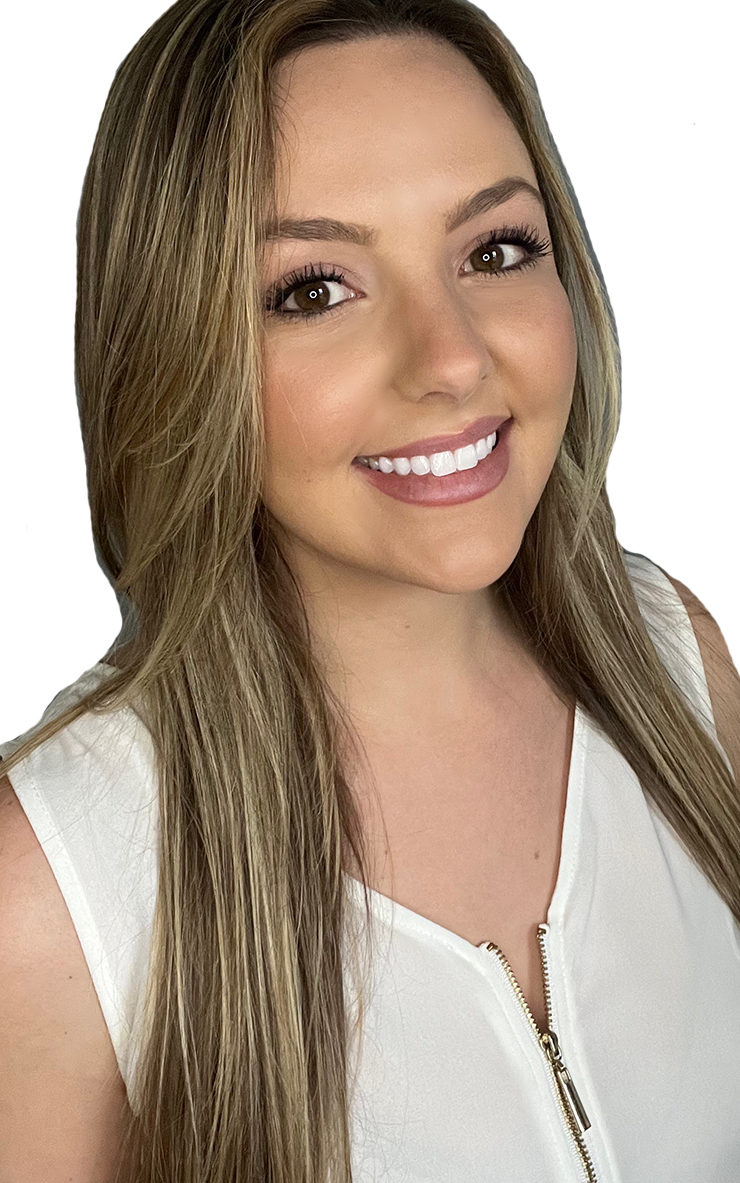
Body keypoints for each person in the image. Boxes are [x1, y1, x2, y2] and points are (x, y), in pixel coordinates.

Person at [1, 1, 738, 1180]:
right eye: (312, 290)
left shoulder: (675, 666)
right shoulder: (47, 894)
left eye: (494, 250)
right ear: (173, 347)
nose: (451, 358)